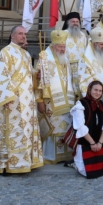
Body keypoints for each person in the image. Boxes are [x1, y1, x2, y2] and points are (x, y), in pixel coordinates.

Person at [0, 26, 43, 174]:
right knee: (13, 131)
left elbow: (27, 73)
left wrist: (36, 74)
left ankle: (26, 162)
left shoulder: (25, 54)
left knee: (26, 130)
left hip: (27, 101)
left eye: (25, 34)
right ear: (12, 36)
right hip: (12, 101)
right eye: (20, 34)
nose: (24, 36)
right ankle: (9, 165)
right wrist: (5, 97)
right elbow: (0, 75)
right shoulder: (5, 53)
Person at [36, 30, 75, 165]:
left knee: (66, 126)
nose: (62, 49)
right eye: (60, 46)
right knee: (53, 127)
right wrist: (39, 101)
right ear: (53, 46)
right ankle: (50, 155)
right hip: (51, 101)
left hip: (68, 100)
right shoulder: (44, 57)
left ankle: (66, 155)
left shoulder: (66, 58)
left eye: (64, 46)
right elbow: (39, 82)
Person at [70, 81, 103, 179]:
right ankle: (75, 162)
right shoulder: (81, 104)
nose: (98, 93)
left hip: (97, 144)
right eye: (95, 90)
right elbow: (80, 127)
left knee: (101, 170)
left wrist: (99, 143)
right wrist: (92, 143)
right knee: (86, 172)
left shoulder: (101, 104)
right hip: (84, 142)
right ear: (89, 90)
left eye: (100, 91)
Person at [62, 12, 89, 102]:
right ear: (68, 23)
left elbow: (86, 50)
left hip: (81, 67)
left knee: (81, 89)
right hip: (67, 66)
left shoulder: (83, 35)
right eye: (73, 21)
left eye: (77, 21)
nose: (75, 23)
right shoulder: (63, 34)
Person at [78, 28, 103, 93]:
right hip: (96, 94)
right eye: (101, 44)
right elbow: (86, 80)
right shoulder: (84, 60)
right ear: (94, 45)